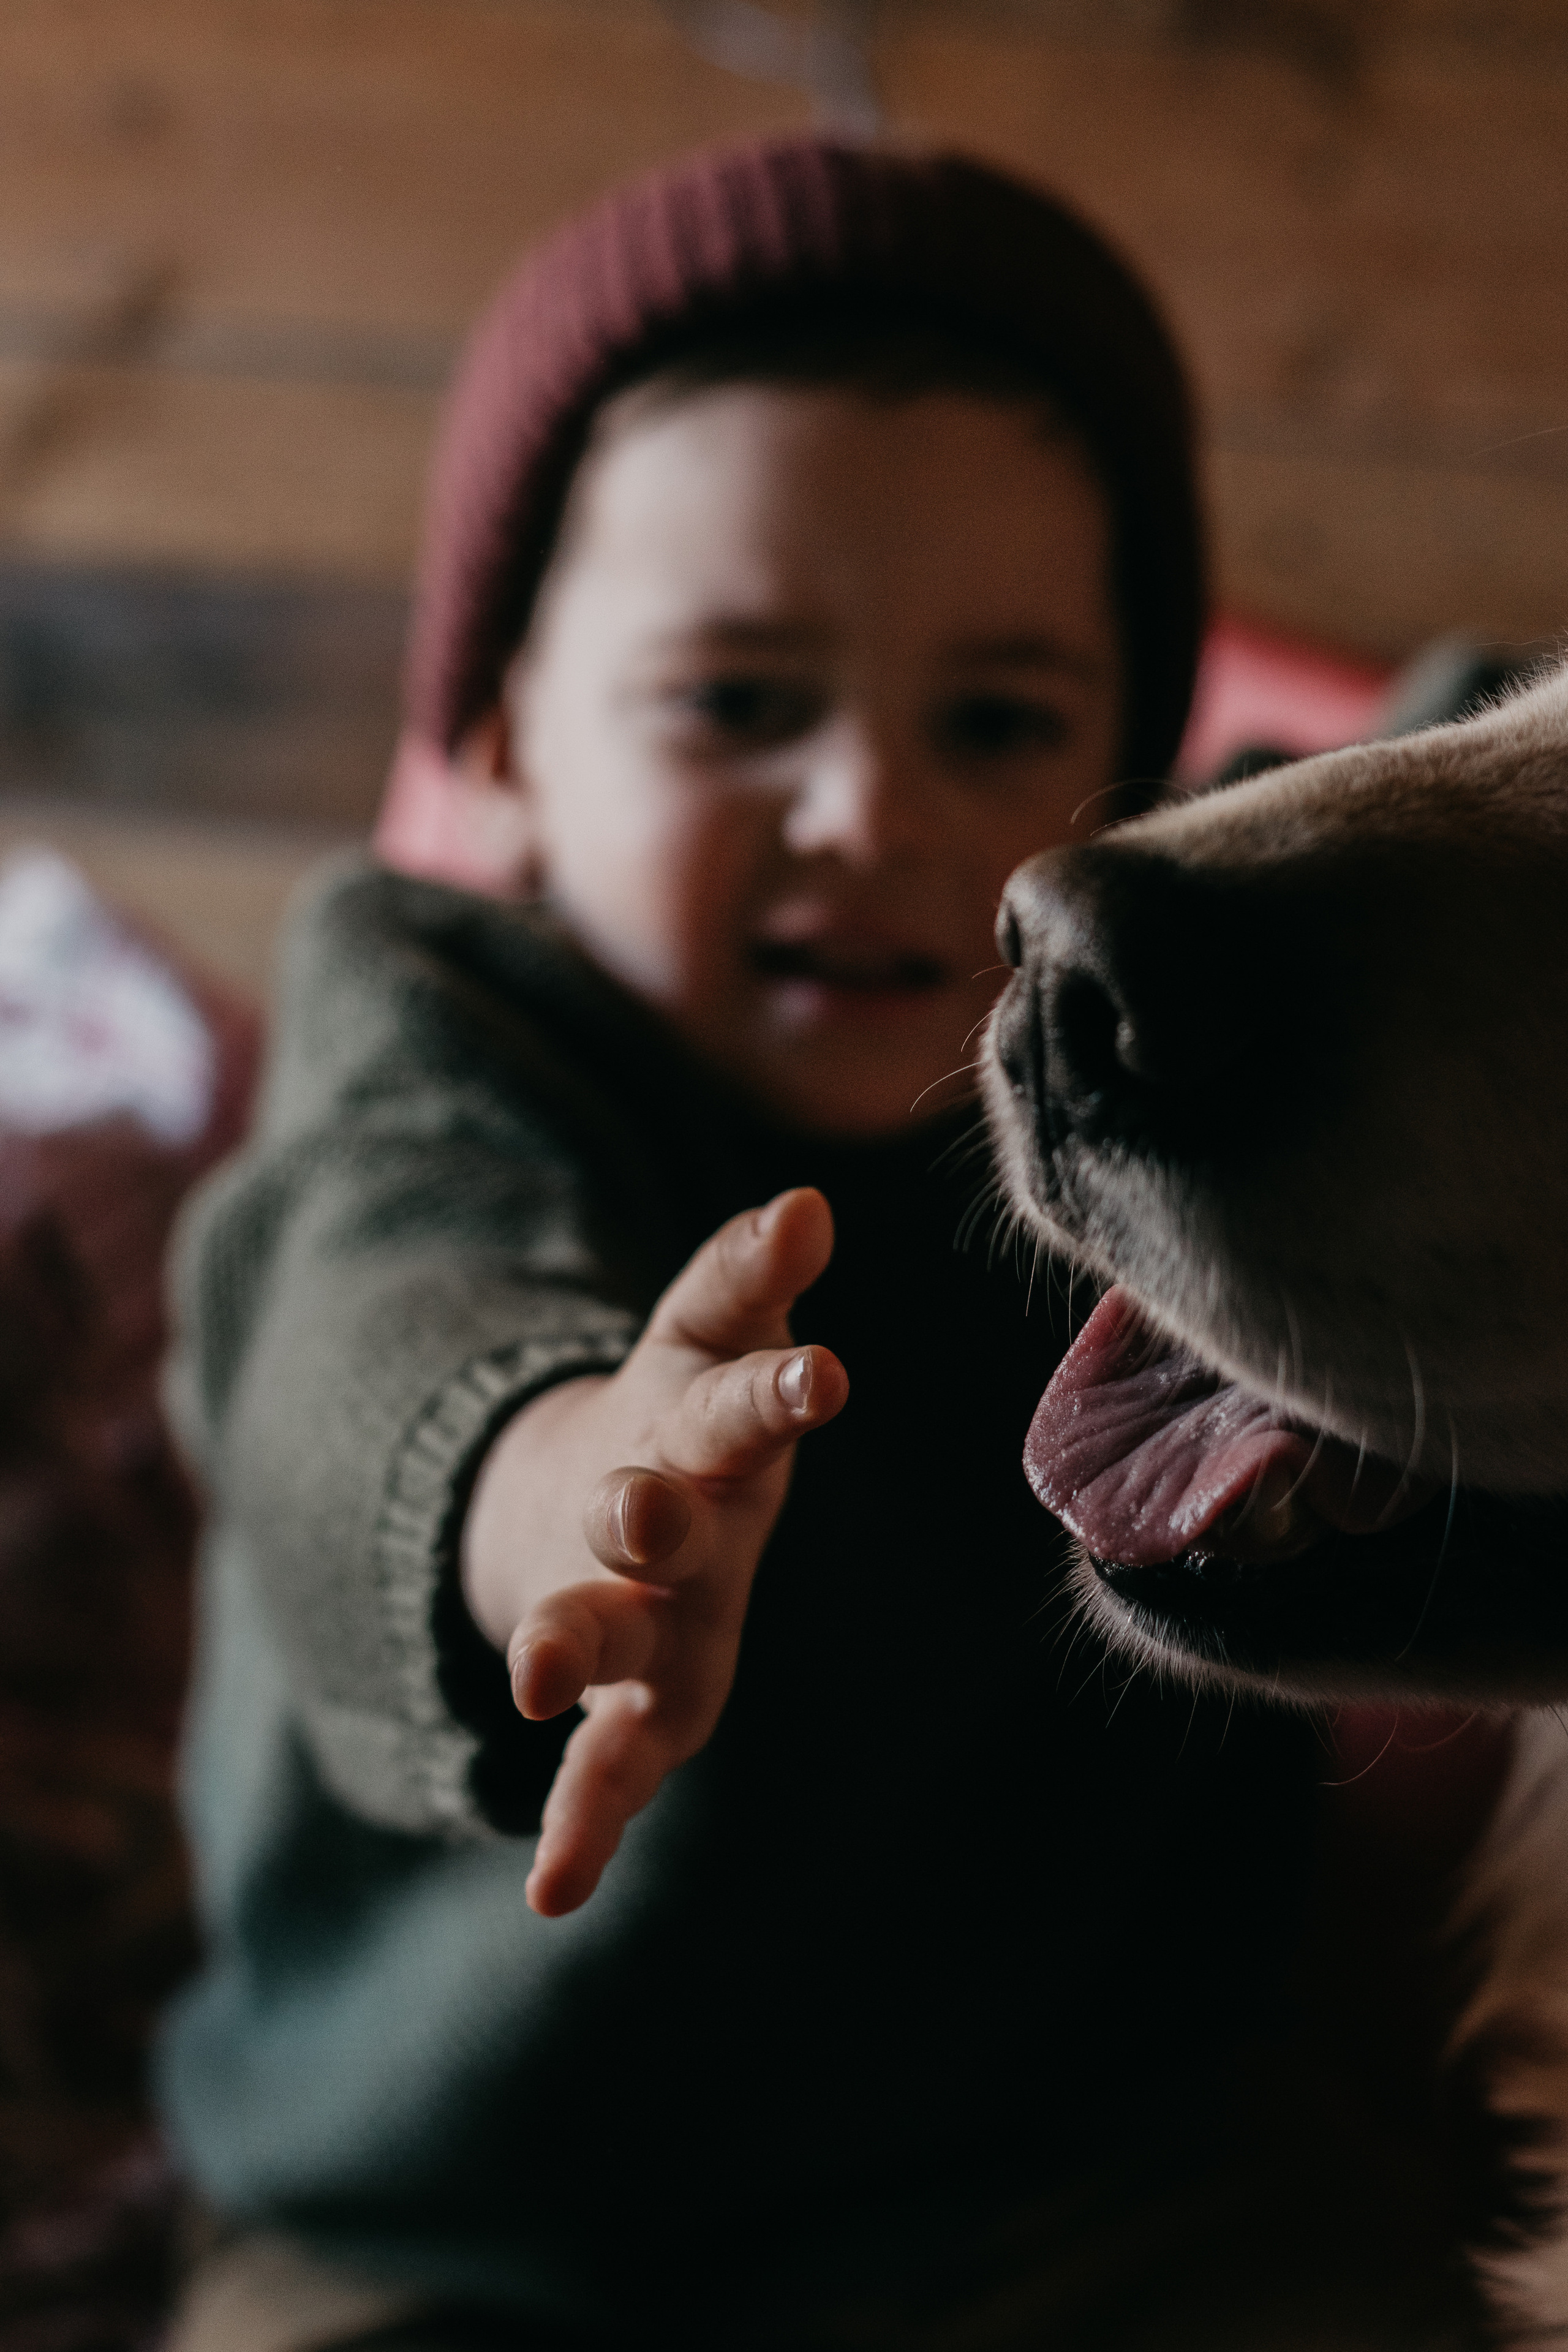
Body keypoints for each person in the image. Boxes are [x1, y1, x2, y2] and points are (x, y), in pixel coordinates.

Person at [156, 138, 1401, 2352]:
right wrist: (570, 1496)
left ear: (1139, 767)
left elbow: (1464, 766)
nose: (872, 810)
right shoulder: (443, 1030)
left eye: (1000, 722)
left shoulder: (1128, 1029)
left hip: (1093, 2167)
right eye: (739, 702)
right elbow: (368, 1326)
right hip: (473, 2224)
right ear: (504, 740)